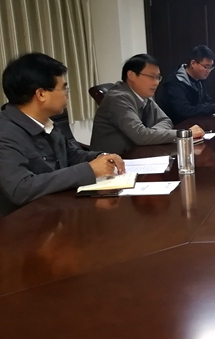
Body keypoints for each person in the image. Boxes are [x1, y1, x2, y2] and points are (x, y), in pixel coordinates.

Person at [0, 53, 124, 218]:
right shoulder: (5, 133)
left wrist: (102, 157)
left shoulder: (46, 123)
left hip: (56, 212)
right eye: (64, 88)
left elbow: (72, 156)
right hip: (23, 224)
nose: (67, 94)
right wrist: (89, 170)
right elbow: (21, 188)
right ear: (41, 94)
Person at [90, 54, 204, 154]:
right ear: (131, 75)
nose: (156, 82)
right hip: (112, 164)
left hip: (135, 155)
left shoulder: (144, 96)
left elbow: (166, 121)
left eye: (158, 77)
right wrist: (184, 134)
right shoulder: (118, 98)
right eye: (151, 77)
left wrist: (150, 134)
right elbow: (140, 136)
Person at [156, 45, 215, 124]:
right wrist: (213, 108)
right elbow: (184, 111)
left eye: (211, 67)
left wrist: (214, 106)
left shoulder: (198, 79)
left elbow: (207, 101)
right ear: (193, 63)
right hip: (177, 127)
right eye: (206, 67)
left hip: (195, 124)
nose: (208, 71)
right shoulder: (174, 83)